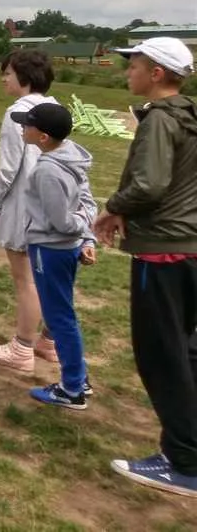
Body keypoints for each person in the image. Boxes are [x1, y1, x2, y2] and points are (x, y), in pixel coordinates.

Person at [94, 37, 197, 498]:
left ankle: (185, 463)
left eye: (132, 64)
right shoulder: (190, 117)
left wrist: (114, 207)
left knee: (161, 356)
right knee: (188, 353)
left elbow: (150, 184)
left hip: (164, 250)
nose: (126, 72)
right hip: (192, 247)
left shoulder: (160, 119)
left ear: (156, 72)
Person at [7, 103, 98, 409]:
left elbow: (62, 221)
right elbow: (87, 203)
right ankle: (78, 376)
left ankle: (72, 388)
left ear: (43, 137)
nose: (22, 128)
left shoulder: (47, 170)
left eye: (27, 125)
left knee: (60, 318)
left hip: (50, 249)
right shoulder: (69, 155)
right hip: (65, 248)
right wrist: (86, 235)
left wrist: (82, 228)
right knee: (64, 315)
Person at [0, 49, 62, 373]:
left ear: (25, 78)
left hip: (25, 205)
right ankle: (48, 341)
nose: (3, 78)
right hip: (53, 206)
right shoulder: (56, 108)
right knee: (49, 277)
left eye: (8, 73)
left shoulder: (19, 113)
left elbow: (8, 167)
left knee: (26, 279)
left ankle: (22, 348)